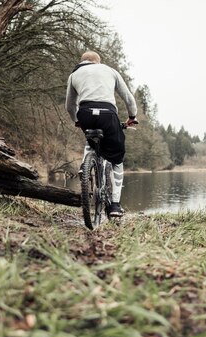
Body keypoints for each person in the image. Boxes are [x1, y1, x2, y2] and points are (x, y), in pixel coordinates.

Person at [65, 50, 138, 217]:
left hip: (85, 113)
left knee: (90, 139)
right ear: (98, 62)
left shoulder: (74, 74)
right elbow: (128, 98)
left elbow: (69, 105)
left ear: (82, 61)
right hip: (108, 115)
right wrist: (132, 117)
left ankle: (86, 165)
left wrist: (77, 119)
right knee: (117, 160)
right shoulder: (110, 71)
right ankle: (115, 206)